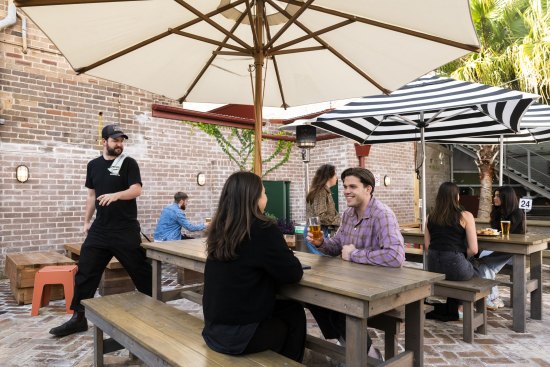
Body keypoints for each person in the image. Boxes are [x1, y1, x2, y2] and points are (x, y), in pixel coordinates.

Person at [49, 124, 152, 337]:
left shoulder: (128, 163)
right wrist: (86, 221)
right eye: (115, 140)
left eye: (121, 141)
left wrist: (116, 195)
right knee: (85, 272)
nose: (119, 144)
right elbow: (91, 196)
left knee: (141, 271)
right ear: (103, 141)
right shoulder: (93, 165)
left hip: (125, 229)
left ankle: (159, 312)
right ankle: (78, 318)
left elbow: (136, 189)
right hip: (100, 229)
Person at [201, 171, 306, 362]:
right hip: (239, 338)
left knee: (283, 309)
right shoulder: (263, 229)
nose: (266, 198)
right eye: (264, 193)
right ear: (254, 198)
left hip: (213, 330)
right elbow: (293, 274)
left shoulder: (219, 228)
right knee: (294, 314)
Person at [306, 167, 404, 359]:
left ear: (368, 189)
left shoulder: (382, 214)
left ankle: (369, 357)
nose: (346, 191)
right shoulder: (348, 215)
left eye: (352, 186)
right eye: (344, 186)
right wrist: (321, 243)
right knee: (316, 299)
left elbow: (395, 256)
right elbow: (336, 246)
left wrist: (354, 255)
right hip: (354, 283)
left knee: (338, 304)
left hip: (381, 287)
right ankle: (351, 349)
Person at [424, 182, 480, 321]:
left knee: (464, 264)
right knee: (477, 267)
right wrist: (460, 255)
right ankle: (461, 306)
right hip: (455, 266)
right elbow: (474, 249)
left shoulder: (430, 217)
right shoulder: (466, 216)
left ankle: (454, 307)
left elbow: (427, 246)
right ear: (457, 197)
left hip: (433, 267)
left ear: (439, 197)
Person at [481, 186, 525, 309]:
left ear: (506, 198)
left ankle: (491, 297)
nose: (494, 198)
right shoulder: (497, 212)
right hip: (499, 249)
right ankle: (492, 297)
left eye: (497, 196)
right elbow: (496, 232)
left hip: (513, 252)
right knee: (479, 260)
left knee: (484, 263)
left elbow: (508, 236)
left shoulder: (517, 213)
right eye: (494, 195)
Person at [305, 164, 340, 254]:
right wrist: (339, 220)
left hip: (318, 230)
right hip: (315, 231)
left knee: (324, 262)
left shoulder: (323, 191)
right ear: (329, 176)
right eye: (335, 174)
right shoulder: (321, 192)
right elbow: (320, 216)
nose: (337, 177)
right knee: (323, 262)